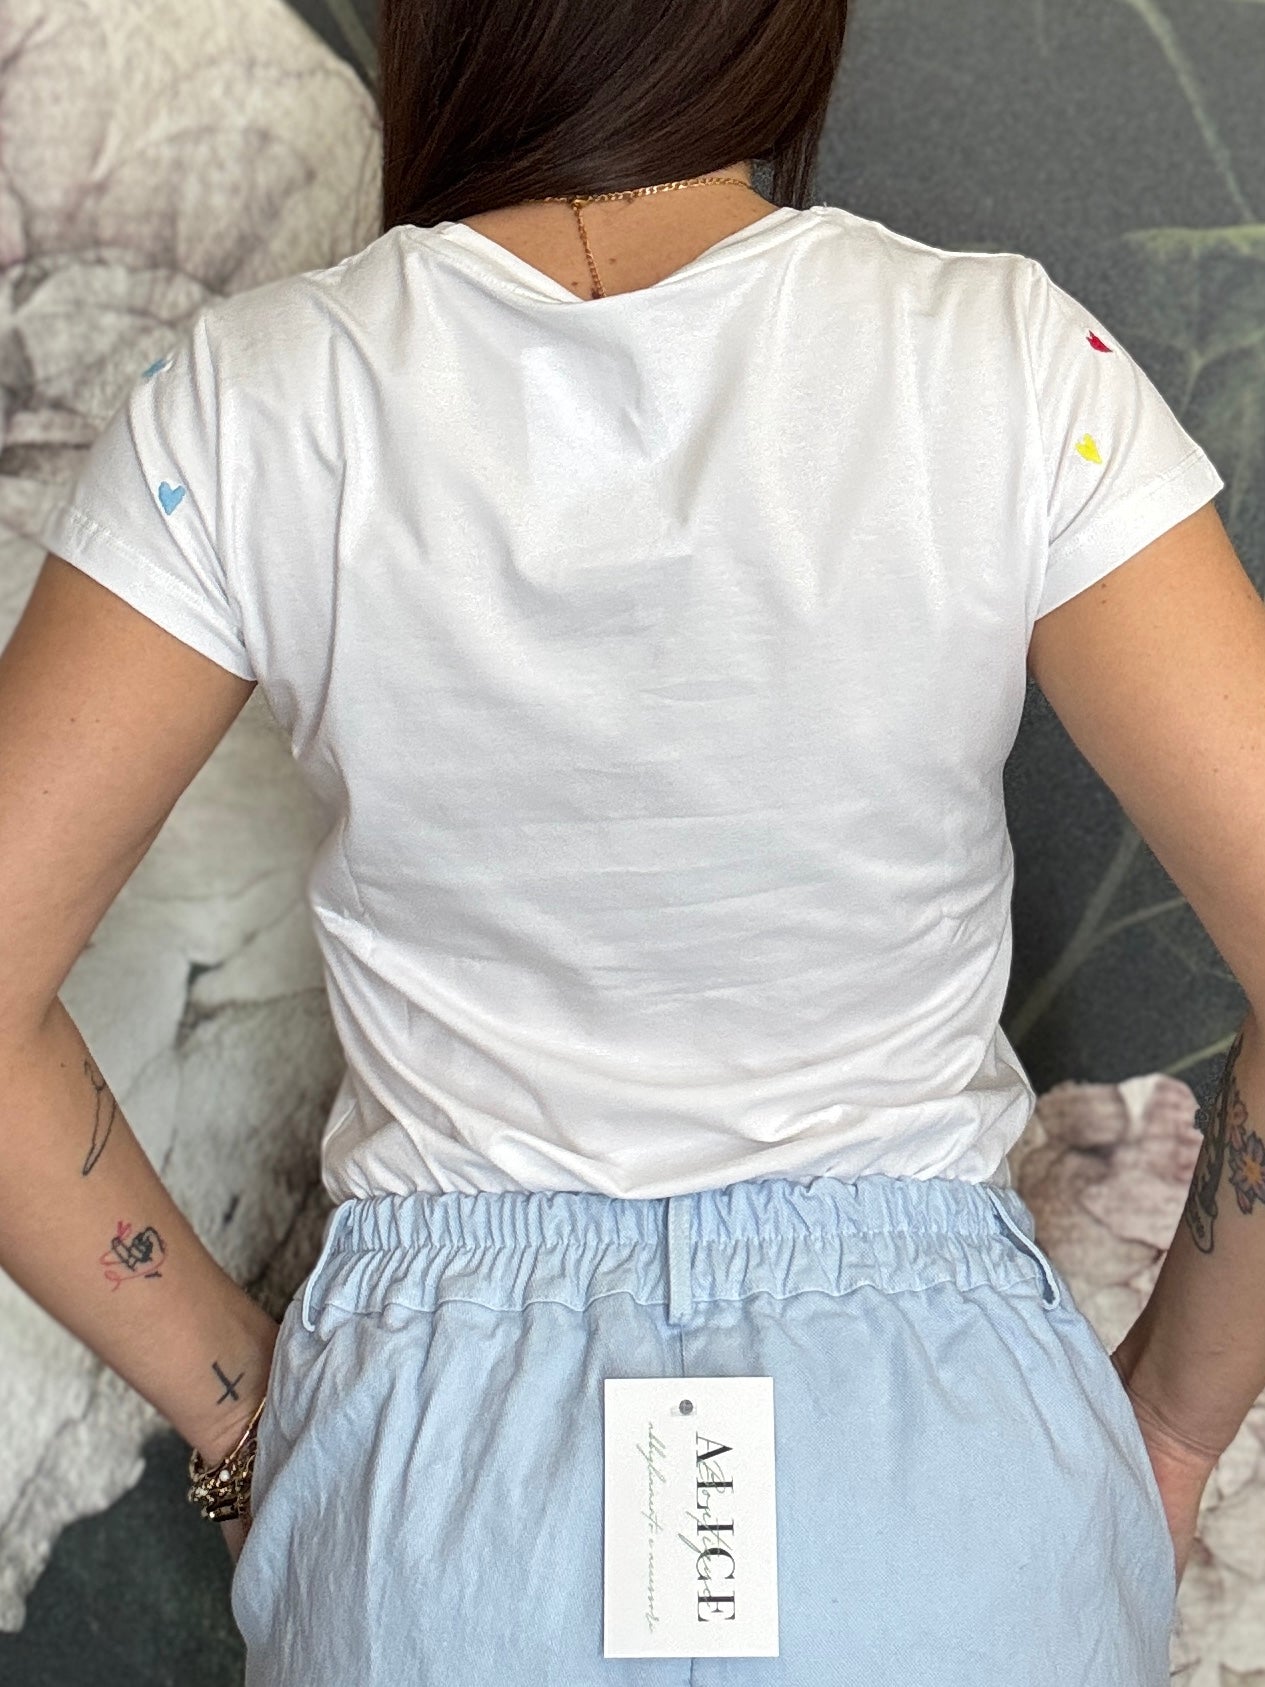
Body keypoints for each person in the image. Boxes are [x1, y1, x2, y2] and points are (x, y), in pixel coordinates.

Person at [2, 0, 1263, 1681]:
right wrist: (1167, 1433)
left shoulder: (249, 404)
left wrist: (244, 1411)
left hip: (440, 1519)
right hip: (951, 1495)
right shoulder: (1006, 364)